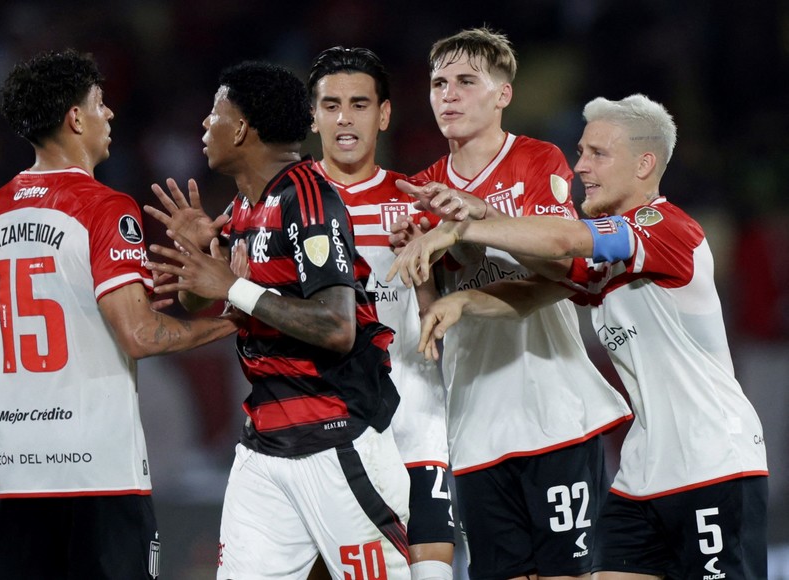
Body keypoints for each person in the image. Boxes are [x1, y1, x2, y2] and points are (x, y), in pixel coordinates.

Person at [393, 94, 769, 579]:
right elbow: (541, 285)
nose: (580, 167)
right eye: (581, 152)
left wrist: (466, 227)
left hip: (714, 460)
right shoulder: (612, 255)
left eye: (597, 154)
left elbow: (563, 239)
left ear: (644, 164)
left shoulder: (665, 228)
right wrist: (463, 300)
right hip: (642, 473)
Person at [0, 49, 238, 579]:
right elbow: (138, 334)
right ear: (75, 119)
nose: (109, 114)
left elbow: (1, 331)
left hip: (20, 476)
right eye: (99, 103)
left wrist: (110, 296)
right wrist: (239, 317)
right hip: (99, 474)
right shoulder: (104, 206)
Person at [144, 61, 411, 580]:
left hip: (337, 443)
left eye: (214, 114)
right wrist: (203, 258)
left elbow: (338, 327)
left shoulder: (308, 200)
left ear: (241, 128)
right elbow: (213, 302)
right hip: (264, 451)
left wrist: (232, 285)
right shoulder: (244, 208)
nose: (205, 126)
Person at [392, 28, 633, 580]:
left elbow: (564, 269)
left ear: (502, 94)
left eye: (465, 81)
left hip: (553, 411)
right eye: (437, 83)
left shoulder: (536, 159)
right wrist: (418, 265)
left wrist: (475, 219)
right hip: (476, 422)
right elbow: (437, 317)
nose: (447, 95)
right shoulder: (423, 188)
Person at [307, 46, 454, 580]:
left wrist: (424, 272)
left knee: (431, 571)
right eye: (332, 104)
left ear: (384, 114)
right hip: (324, 433)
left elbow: (438, 324)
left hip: (415, 421)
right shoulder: (285, 205)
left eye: (360, 103)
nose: (345, 118)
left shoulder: (420, 203)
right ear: (314, 113)